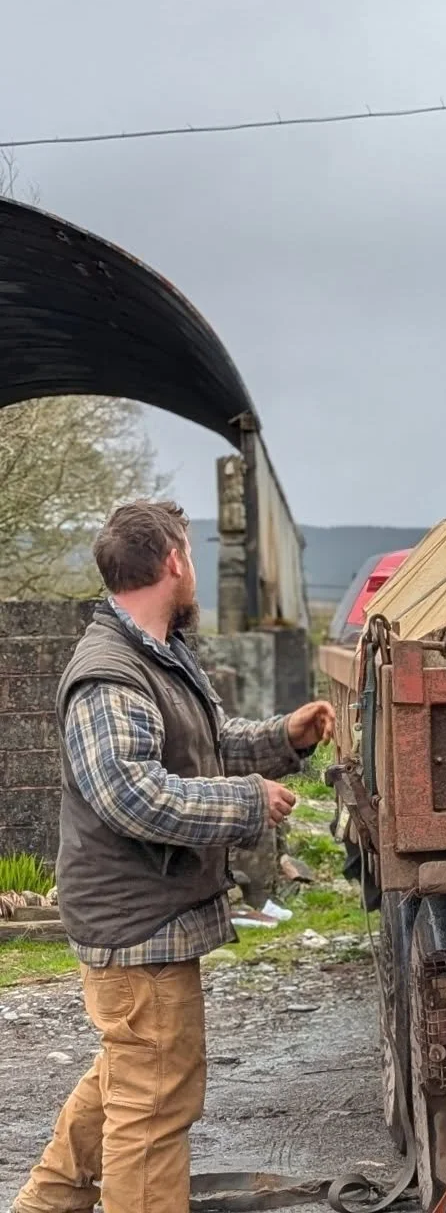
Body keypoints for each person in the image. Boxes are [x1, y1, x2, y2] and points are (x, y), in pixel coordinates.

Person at [14, 501, 335, 1213]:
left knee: (131, 1073)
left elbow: (209, 744)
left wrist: (287, 736)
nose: (191, 567)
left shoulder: (159, 654)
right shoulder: (110, 675)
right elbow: (133, 797)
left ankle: (48, 1203)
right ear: (172, 563)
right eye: (188, 552)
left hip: (147, 916)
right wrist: (248, 803)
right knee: (155, 1104)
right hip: (135, 927)